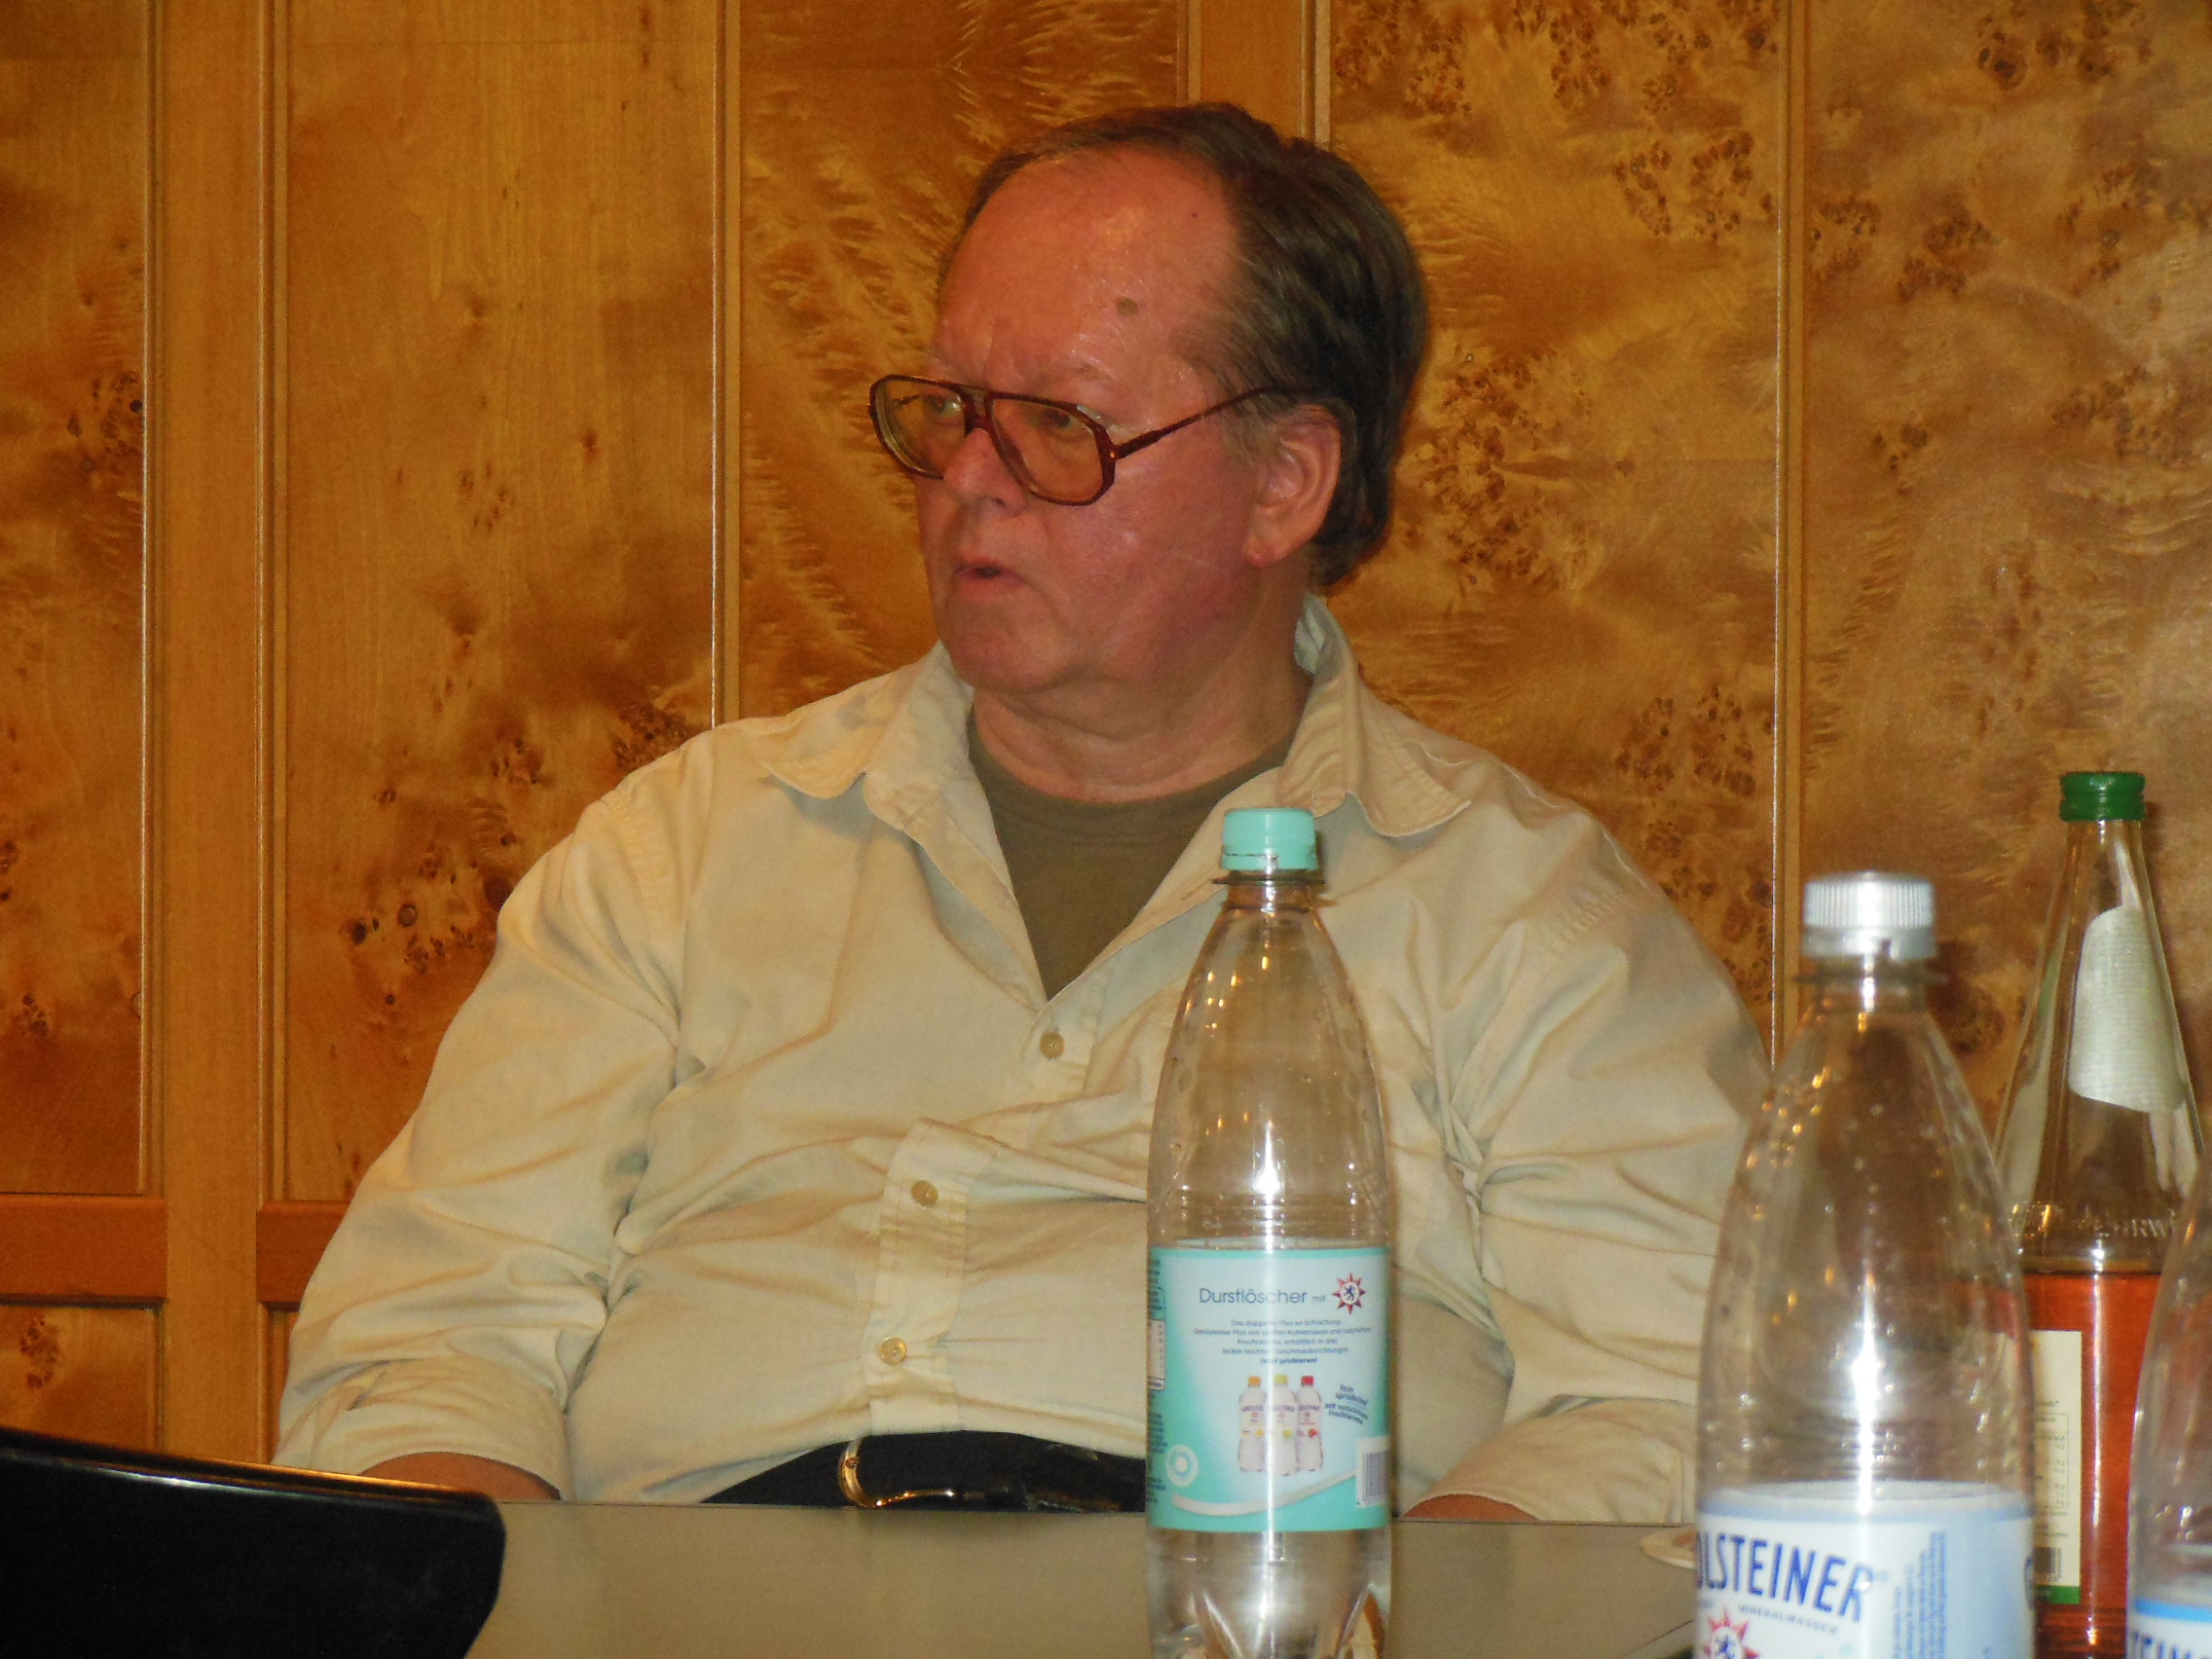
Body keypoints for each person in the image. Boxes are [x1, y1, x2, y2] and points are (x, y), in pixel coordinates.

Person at [276, 103, 1767, 1523]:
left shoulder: (1525, 922)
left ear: (1285, 483)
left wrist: (1350, 1625)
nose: (970, 485)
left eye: (1059, 424)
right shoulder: (682, 855)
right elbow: (430, 1336)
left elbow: (1670, 1407)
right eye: (952, 412)